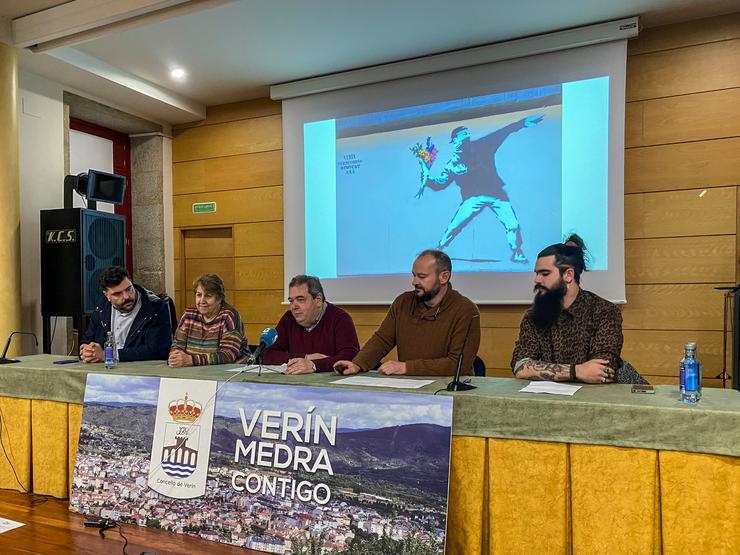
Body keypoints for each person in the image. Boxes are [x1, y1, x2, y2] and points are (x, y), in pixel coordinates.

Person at [415, 115, 544, 263]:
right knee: (455, 225)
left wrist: (521, 123)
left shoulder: (483, 146)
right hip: (473, 198)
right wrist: (427, 179)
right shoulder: (452, 165)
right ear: (454, 141)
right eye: (461, 136)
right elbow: (440, 184)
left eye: (467, 135)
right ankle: (439, 249)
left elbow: (502, 132)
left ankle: (517, 252)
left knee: (512, 224)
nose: (465, 138)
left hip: (496, 194)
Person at [334, 250, 480, 376]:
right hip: (411, 389)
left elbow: (458, 364)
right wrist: (357, 364)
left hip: (449, 392)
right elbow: (382, 340)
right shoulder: (403, 302)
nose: (414, 281)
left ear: (444, 277)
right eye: (414, 275)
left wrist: (406, 367)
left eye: (421, 277)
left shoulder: (466, 311)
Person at [510, 234, 623, 383]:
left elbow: (602, 370)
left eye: (545, 273)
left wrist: (542, 369)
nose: (537, 280)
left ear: (568, 275)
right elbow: (520, 366)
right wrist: (577, 371)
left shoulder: (604, 311)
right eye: (537, 273)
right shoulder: (533, 316)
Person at [262, 275, 360, 374]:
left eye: (300, 300)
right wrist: (305, 357)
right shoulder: (289, 319)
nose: (294, 307)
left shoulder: (340, 319)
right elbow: (268, 354)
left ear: (318, 300)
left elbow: (350, 357)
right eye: (291, 301)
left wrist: (314, 365)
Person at [80, 266, 172, 363]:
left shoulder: (155, 306)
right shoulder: (102, 307)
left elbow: (158, 349)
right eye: (117, 294)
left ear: (131, 282)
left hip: (141, 371)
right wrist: (86, 350)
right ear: (107, 295)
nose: (127, 296)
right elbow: (87, 339)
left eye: (129, 289)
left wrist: (109, 355)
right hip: (106, 370)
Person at [168, 274, 248, 367]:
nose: (202, 301)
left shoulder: (229, 316)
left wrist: (192, 360)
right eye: (199, 295)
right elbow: (177, 346)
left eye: (208, 296)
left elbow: (228, 355)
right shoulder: (188, 315)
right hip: (194, 371)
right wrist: (175, 357)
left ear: (219, 299)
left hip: (231, 374)